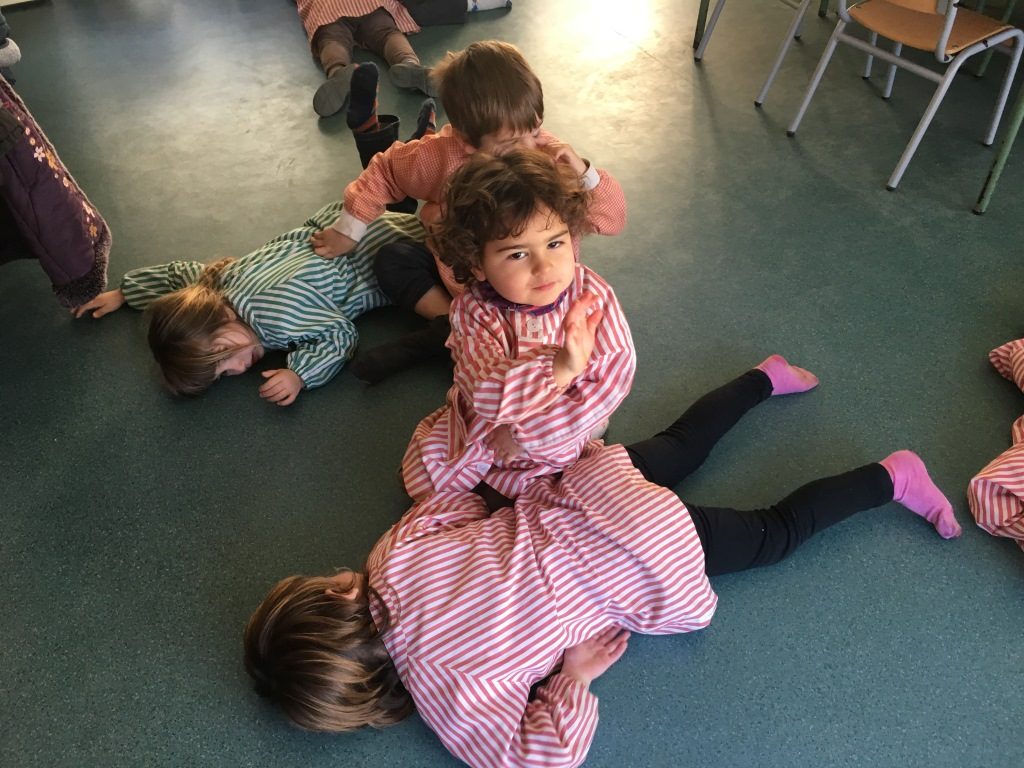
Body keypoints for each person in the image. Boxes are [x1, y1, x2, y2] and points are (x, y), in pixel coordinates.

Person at [244, 355, 962, 767]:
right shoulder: (390, 557)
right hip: (581, 495)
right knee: (680, 445)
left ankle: (892, 478)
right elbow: (457, 506)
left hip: (641, 556)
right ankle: (762, 378)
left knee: (775, 531)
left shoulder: (450, 701)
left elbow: (543, 756)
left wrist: (572, 679)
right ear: (337, 594)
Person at [310, 40, 628, 383]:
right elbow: (387, 170)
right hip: (468, 286)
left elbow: (612, 219)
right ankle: (452, 321)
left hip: (541, 291)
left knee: (552, 353)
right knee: (392, 260)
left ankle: (451, 333)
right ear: (467, 142)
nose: (528, 149)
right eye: (509, 144)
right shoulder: (439, 157)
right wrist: (348, 230)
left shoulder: (548, 158)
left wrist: (585, 174)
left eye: (534, 131)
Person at [401, 148, 636, 500]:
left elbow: (611, 382)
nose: (544, 267)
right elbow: (483, 391)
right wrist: (558, 369)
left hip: (564, 421)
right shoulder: (473, 310)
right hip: (491, 415)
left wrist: (525, 436)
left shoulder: (591, 295)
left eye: (554, 243)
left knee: (546, 492)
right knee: (425, 478)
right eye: (517, 254)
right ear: (477, 264)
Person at [72, 203, 424, 404]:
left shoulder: (276, 320)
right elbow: (179, 274)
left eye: (223, 355)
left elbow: (340, 334)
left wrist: (300, 374)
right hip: (349, 221)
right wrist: (125, 292)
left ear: (220, 316)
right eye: (224, 374)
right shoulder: (217, 284)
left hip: (386, 256)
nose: (238, 369)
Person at [296, 0, 511, 118]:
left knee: (332, 38)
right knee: (387, 34)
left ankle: (338, 71)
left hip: (326, 7)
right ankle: (409, 64)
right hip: (370, 4)